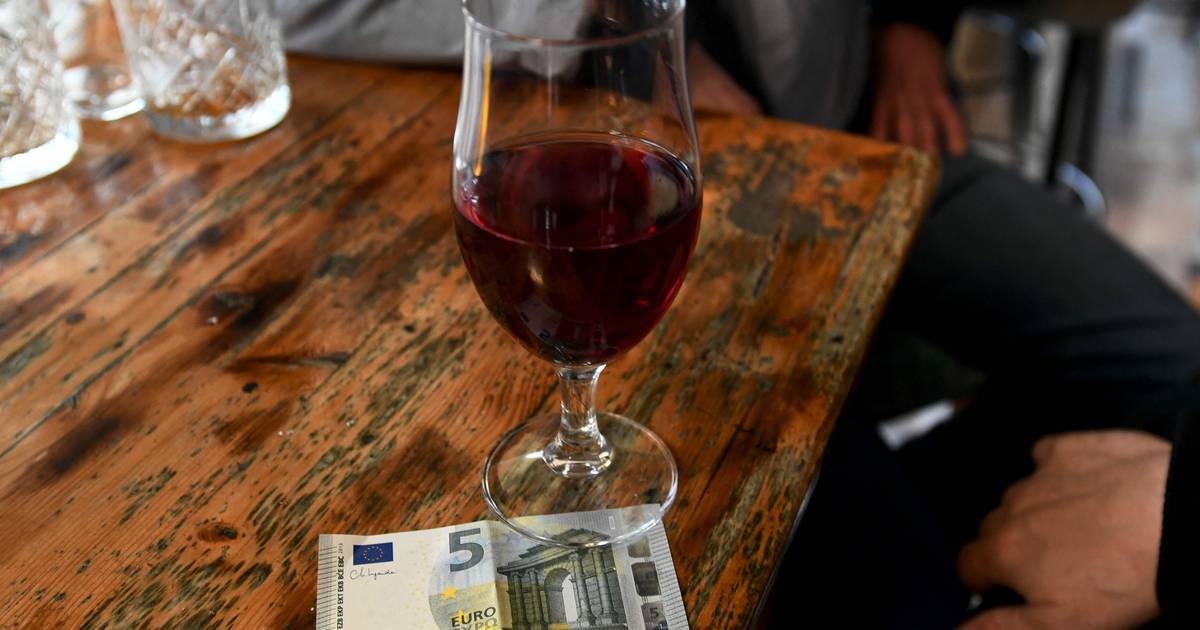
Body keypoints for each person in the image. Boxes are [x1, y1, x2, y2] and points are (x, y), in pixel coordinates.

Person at [277, 2, 1200, 627]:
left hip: (864, 140)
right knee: (829, 535)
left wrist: (911, 22)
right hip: (614, 140)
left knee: (1176, 366)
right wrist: (598, 15)